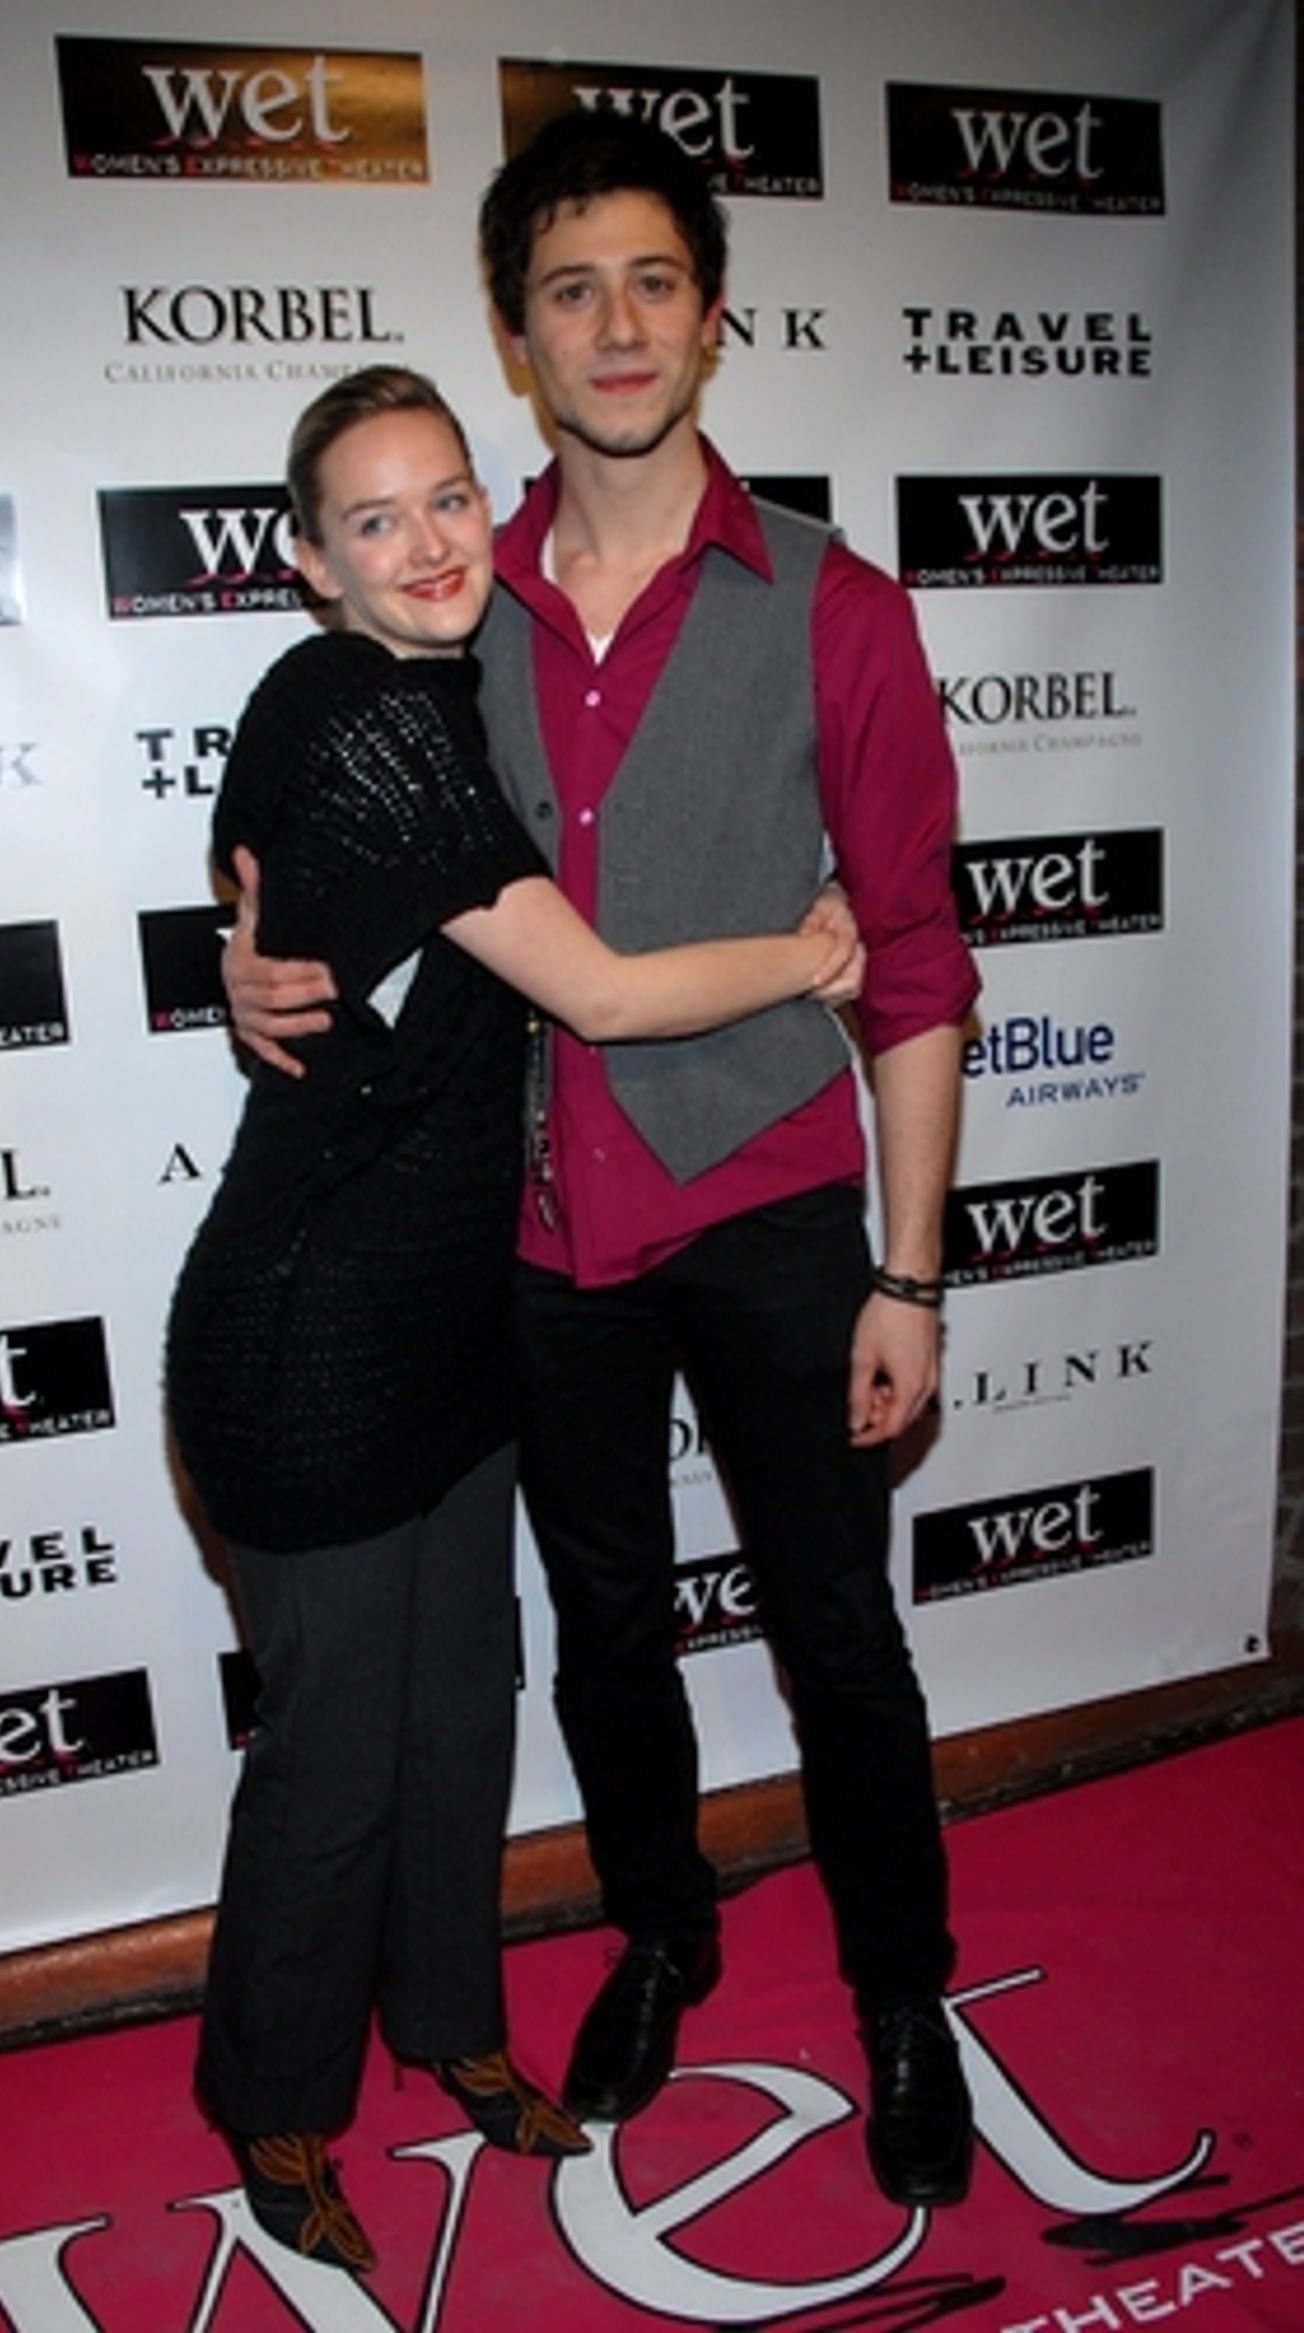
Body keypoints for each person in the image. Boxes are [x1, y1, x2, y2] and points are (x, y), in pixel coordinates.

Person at [224, 112, 980, 2211]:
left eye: (654, 281)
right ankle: (661, 1931)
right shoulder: (449, 596)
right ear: (518, 332)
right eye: (571, 290)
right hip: (533, 1232)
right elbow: (327, 824)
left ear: (712, 315)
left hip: (765, 1206)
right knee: (606, 1631)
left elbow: (916, 963)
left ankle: (903, 1999)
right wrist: (247, 951)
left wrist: (910, 1273)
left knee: (839, 1632)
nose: (617, 324)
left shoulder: (835, 605)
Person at [166, 362, 862, 2278]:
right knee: (335, 1751)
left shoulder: (449, 689)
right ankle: (277, 2103)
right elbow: (605, 994)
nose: (427, 543)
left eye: (450, 497)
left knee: (463, 1707)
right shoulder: (353, 708)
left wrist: (246, 952)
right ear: (310, 562)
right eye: (373, 519)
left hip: (456, 1324)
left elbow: (252, 876)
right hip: (306, 1341)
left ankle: (452, 2023)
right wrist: (811, 954)